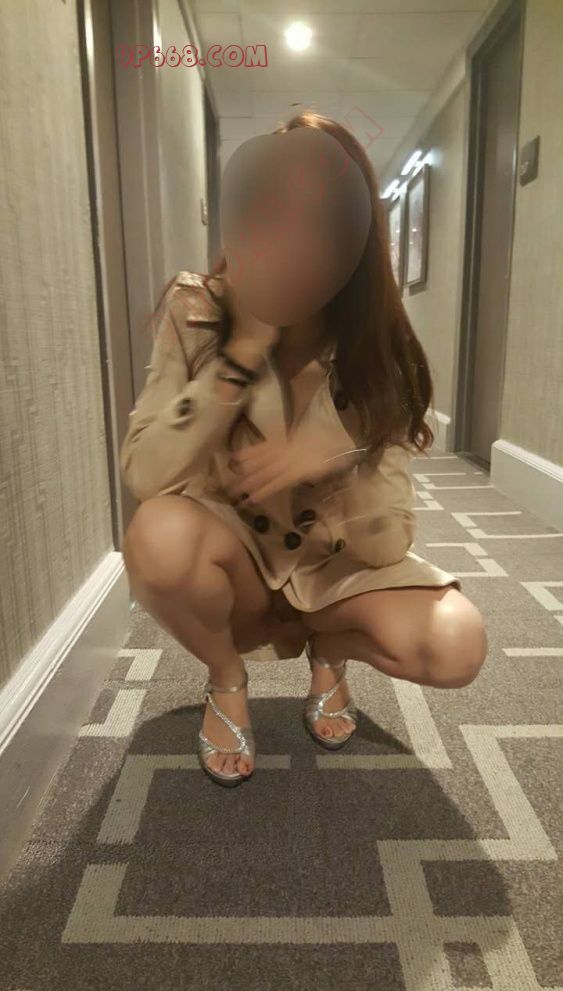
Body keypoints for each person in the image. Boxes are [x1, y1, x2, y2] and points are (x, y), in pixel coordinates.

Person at [119, 110, 488, 788]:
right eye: (269, 210)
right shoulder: (196, 308)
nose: (289, 239)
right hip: (236, 562)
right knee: (157, 537)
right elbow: (146, 473)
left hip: (332, 570)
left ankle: (329, 649)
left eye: (317, 219)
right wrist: (239, 356)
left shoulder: (375, 345)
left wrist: (339, 455)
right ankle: (226, 678)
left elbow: (386, 544)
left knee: (454, 644)